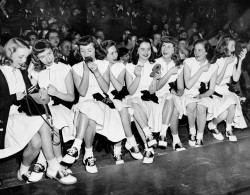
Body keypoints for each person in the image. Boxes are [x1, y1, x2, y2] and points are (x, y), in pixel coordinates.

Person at [0, 38, 76, 185]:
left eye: (25, 57)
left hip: (20, 116)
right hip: (5, 118)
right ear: (9, 53)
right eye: (20, 57)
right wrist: (13, 98)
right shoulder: (1, 72)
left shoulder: (21, 72)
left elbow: (30, 91)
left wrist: (41, 93)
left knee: (37, 143)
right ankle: (53, 167)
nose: (24, 61)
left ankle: (23, 171)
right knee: (42, 122)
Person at [62, 36, 132, 173]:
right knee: (89, 111)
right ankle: (88, 155)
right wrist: (86, 71)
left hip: (102, 102)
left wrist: (96, 71)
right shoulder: (75, 68)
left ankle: (79, 148)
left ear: (95, 50)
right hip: (84, 105)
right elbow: (82, 92)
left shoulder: (104, 64)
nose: (86, 54)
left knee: (90, 108)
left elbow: (105, 89)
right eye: (82, 51)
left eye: (89, 50)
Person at [29, 39, 75, 181]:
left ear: (53, 51)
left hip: (62, 106)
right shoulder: (37, 71)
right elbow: (29, 90)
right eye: (42, 57)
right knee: (45, 121)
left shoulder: (64, 68)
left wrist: (56, 93)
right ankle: (54, 165)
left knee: (53, 122)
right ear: (37, 58)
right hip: (44, 108)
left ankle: (44, 162)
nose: (47, 59)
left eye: (49, 53)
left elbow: (71, 97)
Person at [125, 37, 173, 163]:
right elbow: (131, 91)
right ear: (136, 51)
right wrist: (138, 76)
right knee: (134, 104)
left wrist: (155, 79)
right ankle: (148, 140)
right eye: (142, 49)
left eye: (148, 49)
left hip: (150, 98)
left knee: (169, 97)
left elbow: (152, 91)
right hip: (135, 98)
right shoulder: (130, 66)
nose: (146, 52)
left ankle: (157, 139)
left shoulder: (155, 66)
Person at [207, 35, 247, 141]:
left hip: (225, 89)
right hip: (214, 90)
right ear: (225, 46)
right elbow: (217, 81)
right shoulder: (217, 60)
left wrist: (241, 61)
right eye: (232, 45)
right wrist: (225, 64)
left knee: (232, 102)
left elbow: (235, 78)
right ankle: (212, 125)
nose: (234, 47)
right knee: (224, 113)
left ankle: (229, 130)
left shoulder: (233, 59)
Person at [183, 39, 218, 147]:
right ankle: (192, 131)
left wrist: (201, 95)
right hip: (189, 93)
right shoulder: (188, 62)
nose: (196, 53)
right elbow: (188, 85)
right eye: (195, 50)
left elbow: (211, 89)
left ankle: (200, 136)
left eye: (199, 50)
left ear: (206, 51)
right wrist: (201, 70)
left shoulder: (213, 66)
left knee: (201, 106)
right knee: (192, 104)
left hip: (203, 94)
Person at [155, 36, 186, 151]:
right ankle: (175, 139)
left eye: (169, 46)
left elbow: (181, 87)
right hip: (156, 95)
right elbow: (157, 87)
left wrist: (179, 92)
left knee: (173, 100)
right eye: (163, 46)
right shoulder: (156, 63)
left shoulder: (178, 65)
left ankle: (164, 135)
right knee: (171, 100)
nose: (165, 49)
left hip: (170, 96)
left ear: (174, 50)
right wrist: (169, 73)